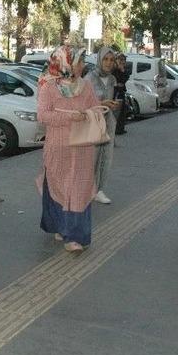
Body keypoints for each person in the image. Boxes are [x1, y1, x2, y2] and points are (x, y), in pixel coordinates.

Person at [37, 45, 99, 252]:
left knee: (79, 190)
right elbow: (43, 116)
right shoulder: (48, 87)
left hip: (82, 148)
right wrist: (70, 117)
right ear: (66, 63)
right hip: (58, 148)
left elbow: (95, 108)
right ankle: (58, 226)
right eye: (79, 61)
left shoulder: (86, 86)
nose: (82, 65)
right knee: (57, 188)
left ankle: (74, 236)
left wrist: (90, 113)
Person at [83, 47, 121, 204]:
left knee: (106, 157)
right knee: (91, 158)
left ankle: (98, 189)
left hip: (108, 122)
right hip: (93, 123)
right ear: (99, 59)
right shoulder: (89, 78)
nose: (108, 63)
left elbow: (111, 98)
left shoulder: (112, 79)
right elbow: (82, 103)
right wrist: (100, 103)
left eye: (112, 60)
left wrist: (114, 105)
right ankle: (86, 190)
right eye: (105, 59)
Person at [112, 53, 130, 135]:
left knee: (123, 110)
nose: (122, 62)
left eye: (123, 60)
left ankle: (121, 128)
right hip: (115, 92)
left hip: (121, 91)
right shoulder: (113, 69)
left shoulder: (124, 69)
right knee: (116, 110)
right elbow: (116, 80)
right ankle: (115, 129)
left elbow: (125, 78)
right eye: (120, 60)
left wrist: (122, 70)